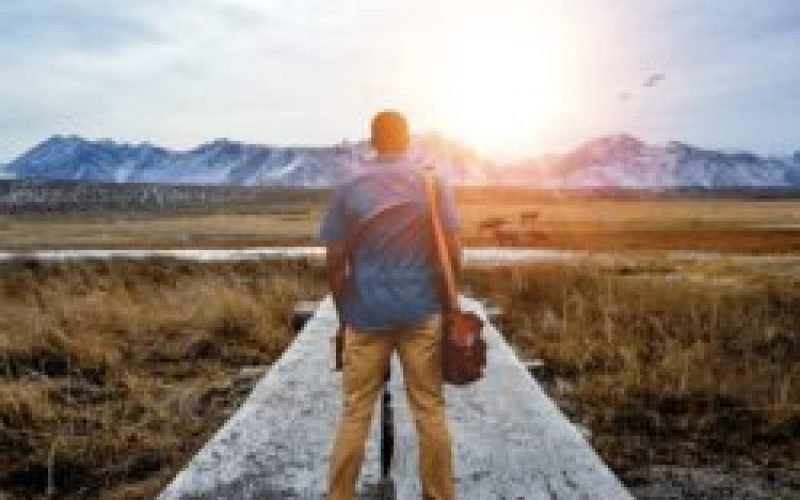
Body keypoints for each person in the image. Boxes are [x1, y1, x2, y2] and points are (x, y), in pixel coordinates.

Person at [320, 110, 461, 500]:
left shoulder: (350, 186)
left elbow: (334, 260)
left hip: (365, 314)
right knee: (429, 409)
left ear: (372, 140)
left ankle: (340, 495)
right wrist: (451, 305)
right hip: (421, 311)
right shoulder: (432, 182)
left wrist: (344, 312)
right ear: (407, 138)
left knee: (355, 411)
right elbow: (453, 250)